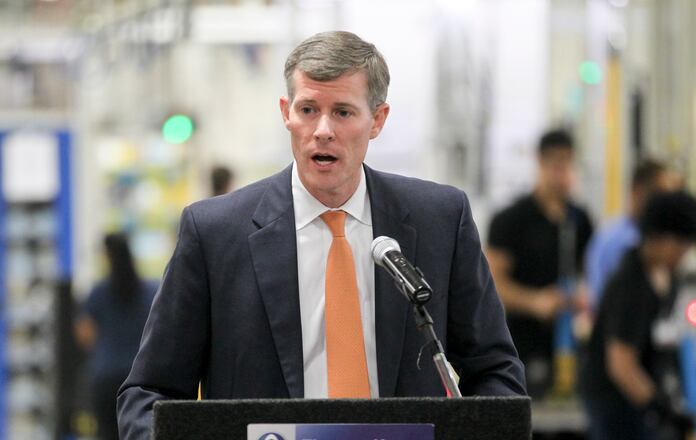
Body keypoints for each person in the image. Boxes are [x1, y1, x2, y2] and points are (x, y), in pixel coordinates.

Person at [118, 31, 526, 439]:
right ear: (286, 113)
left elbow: (494, 373)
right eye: (309, 109)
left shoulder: (440, 220)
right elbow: (148, 393)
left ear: (378, 120)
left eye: (344, 112)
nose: (323, 130)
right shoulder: (215, 234)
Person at [579, 191, 696, 440]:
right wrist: (663, 411)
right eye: (681, 245)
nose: (684, 254)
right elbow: (621, 365)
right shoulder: (631, 285)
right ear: (659, 238)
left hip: (637, 402)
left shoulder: (665, 277)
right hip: (615, 405)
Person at [486, 129, 594, 398]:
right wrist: (535, 302)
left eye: (567, 163)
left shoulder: (580, 220)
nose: (562, 172)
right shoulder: (510, 220)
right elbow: (493, 285)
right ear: (540, 163)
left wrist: (581, 296)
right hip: (520, 344)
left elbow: (589, 275)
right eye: (555, 164)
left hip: (569, 346)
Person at [74, 233, 157, 440]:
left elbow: (84, 334)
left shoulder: (99, 292)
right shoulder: (150, 289)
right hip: (140, 378)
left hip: (105, 377)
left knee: (106, 434)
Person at [585, 160, 680, 311]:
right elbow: (602, 302)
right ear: (638, 191)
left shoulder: (658, 240)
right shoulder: (612, 240)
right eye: (659, 196)